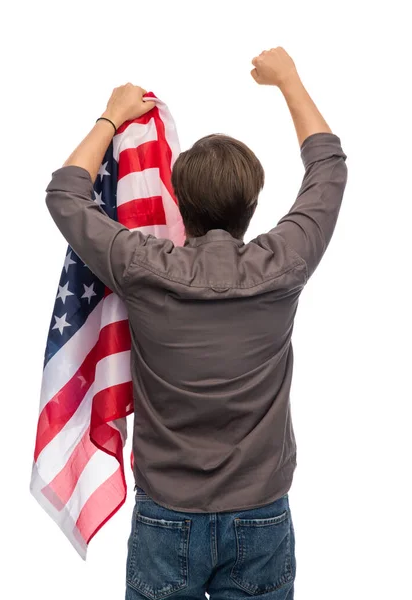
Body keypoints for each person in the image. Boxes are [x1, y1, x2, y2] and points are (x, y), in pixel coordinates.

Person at [45, 46, 348, 600]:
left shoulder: (141, 266)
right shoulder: (285, 263)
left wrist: (111, 115)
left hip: (167, 517)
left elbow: (65, 193)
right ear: (253, 203)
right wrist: (289, 80)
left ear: (177, 201)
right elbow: (328, 166)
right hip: (261, 517)